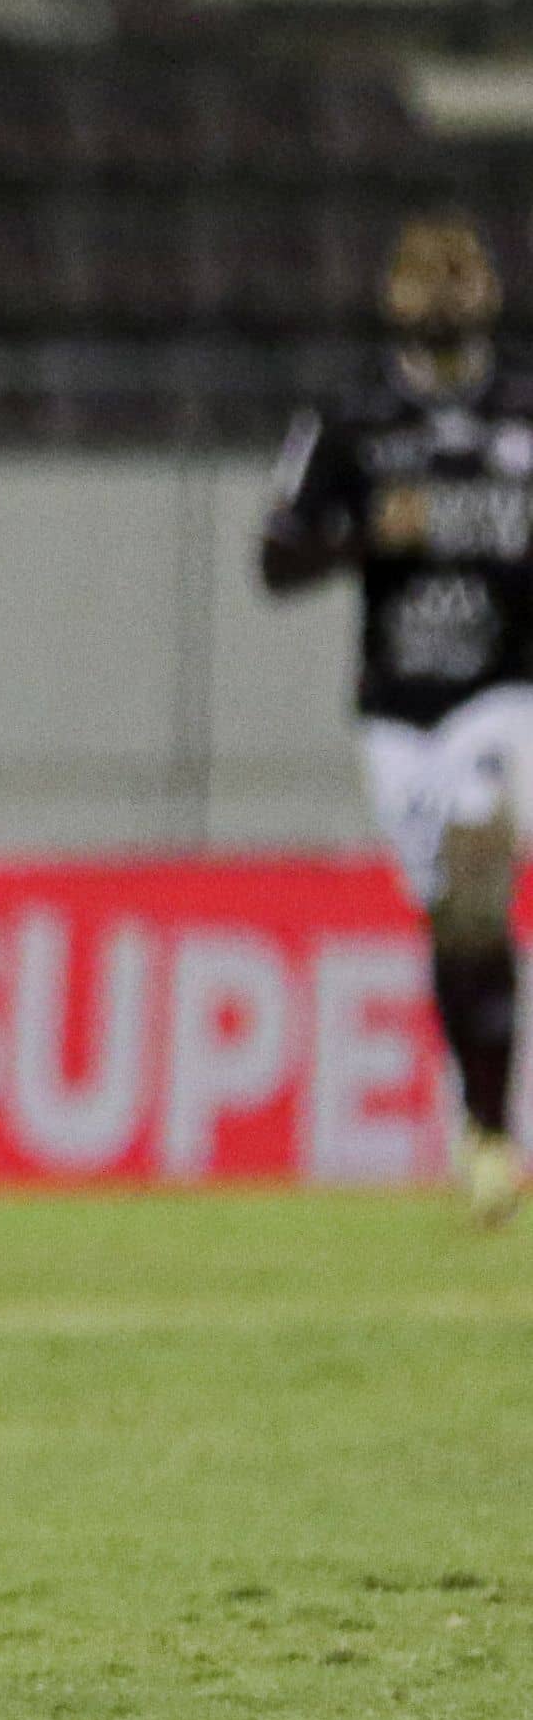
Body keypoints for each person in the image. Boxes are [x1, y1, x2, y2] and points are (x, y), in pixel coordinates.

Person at [262, 212, 533, 1228]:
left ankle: (496, 1132)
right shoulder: (349, 421)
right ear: (395, 297)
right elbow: (273, 559)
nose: (447, 300)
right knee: (454, 919)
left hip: (506, 692)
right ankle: (481, 1125)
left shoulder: (524, 410)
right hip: (395, 712)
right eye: (428, 282)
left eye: (462, 279)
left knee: (476, 861)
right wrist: (367, 535)